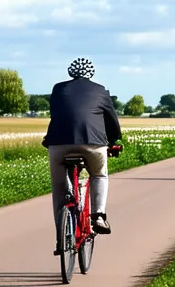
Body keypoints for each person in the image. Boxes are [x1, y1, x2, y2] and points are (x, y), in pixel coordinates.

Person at [43, 58, 121, 254]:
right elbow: (112, 121)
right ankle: (98, 216)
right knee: (99, 175)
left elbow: (57, 115)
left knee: (59, 188)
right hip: (93, 142)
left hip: (58, 143)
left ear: (71, 73)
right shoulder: (101, 90)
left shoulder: (58, 89)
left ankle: (60, 238)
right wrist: (112, 141)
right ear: (91, 74)